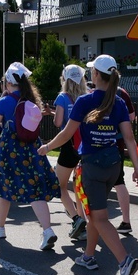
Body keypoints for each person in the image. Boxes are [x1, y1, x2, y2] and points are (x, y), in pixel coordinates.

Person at [39, 55, 138, 275]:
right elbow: (128, 137)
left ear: (95, 75)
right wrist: (137, 169)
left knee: (99, 217)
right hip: (113, 165)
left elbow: (66, 134)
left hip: (93, 167)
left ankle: (124, 261)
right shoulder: (118, 103)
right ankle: (88, 256)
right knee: (95, 212)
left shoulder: (85, 101)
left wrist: (46, 147)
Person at [0, 63, 61, 250]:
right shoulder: (32, 101)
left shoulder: (5, 101)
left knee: (3, 187)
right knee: (34, 189)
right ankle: (47, 231)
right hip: (31, 148)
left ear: (8, 82)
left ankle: (0, 228)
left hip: (9, 149)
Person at [52, 64, 87, 240]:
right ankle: (82, 220)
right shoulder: (87, 96)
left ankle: (76, 219)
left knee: (60, 185)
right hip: (85, 145)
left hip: (69, 144)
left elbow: (58, 123)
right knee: (78, 184)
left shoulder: (63, 97)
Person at [113, 85, 136, 235]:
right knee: (119, 181)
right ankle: (126, 221)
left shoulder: (92, 95)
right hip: (118, 143)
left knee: (95, 184)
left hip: (97, 146)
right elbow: (132, 117)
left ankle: (94, 224)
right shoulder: (122, 93)